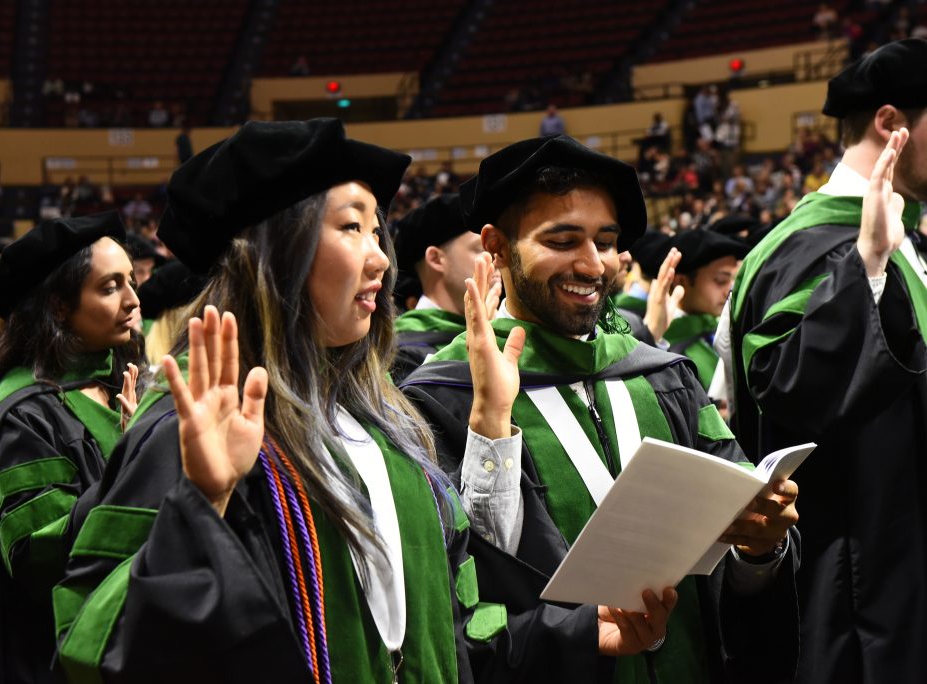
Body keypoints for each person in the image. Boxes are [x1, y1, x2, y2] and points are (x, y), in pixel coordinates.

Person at [53, 119, 676, 682]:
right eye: (352, 227)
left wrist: (573, 631)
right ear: (275, 252)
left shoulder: (388, 429)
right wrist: (200, 505)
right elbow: (90, 645)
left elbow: (458, 627)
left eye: (378, 230)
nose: (381, 257)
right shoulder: (191, 430)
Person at [402, 135, 801, 683]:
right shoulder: (444, 398)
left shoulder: (662, 376)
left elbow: (741, 560)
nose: (594, 266)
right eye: (564, 240)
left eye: (606, 242)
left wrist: (760, 548)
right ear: (495, 245)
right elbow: (451, 600)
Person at [728, 38, 927, 683]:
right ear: (892, 124)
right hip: (861, 598)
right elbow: (791, 392)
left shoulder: (905, 236)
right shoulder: (809, 250)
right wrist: (866, 264)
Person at [0, 212, 144, 684]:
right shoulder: (26, 415)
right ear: (58, 307)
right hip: (52, 656)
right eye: (111, 286)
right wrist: (135, 460)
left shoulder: (112, 384)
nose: (135, 300)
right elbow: (36, 556)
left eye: (131, 281)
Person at [392, 194, 499, 381]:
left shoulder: (505, 325)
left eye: (496, 248)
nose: (496, 259)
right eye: (482, 249)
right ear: (435, 259)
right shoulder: (398, 352)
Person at [664, 229, 749, 393]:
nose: (729, 291)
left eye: (732, 280)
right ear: (681, 281)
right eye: (721, 280)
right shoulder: (665, 344)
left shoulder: (718, 325)